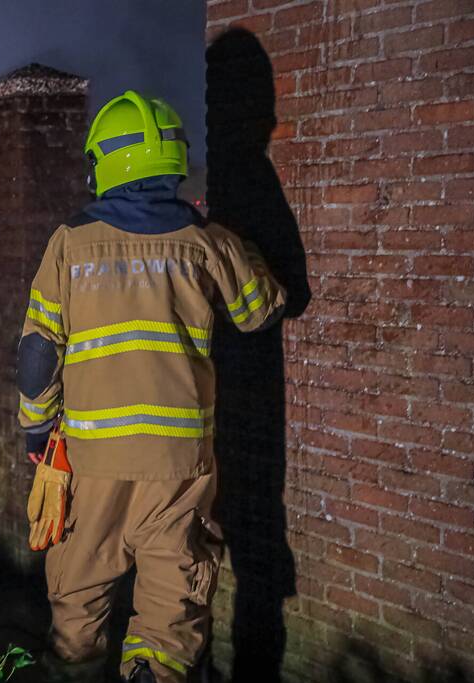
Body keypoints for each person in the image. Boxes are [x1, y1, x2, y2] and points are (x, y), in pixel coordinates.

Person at [16, 90, 286, 683]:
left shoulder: (69, 242)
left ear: (105, 163)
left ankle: (73, 666)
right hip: (178, 464)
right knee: (172, 605)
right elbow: (260, 311)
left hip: (92, 462)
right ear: (172, 158)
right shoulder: (204, 238)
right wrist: (237, 239)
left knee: (77, 601)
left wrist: (37, 428)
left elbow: (38, 351)